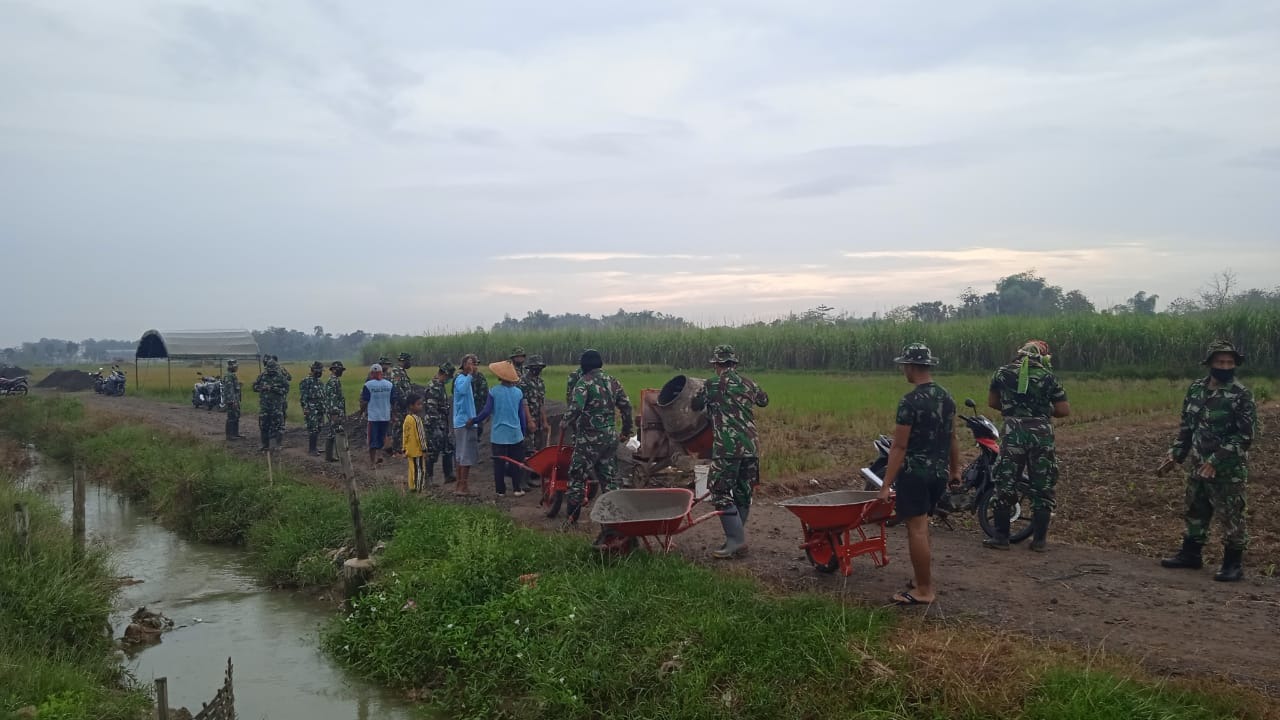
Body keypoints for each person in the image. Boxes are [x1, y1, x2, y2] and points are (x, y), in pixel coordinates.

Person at [1157, 340, 1257, 582]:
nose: (1225, 366)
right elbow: (1187, 428)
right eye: (1220, 362)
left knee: (1231, 515)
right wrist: (1175, 455)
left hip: (1227, 469)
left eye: (1230, 362)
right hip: (1198, 464)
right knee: (1195, 510)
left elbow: (1244, 436)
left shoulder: (1241, 394)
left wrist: (1215, 460)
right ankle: (1190, 555)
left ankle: (1233, 564)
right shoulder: (1195, 389)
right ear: (1210, 363)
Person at [875, 343, 960, 606]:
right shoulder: (947, 397)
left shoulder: (910, 401)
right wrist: (955, 469)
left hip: (915, 474)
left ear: (911, 367)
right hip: (938, 473)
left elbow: (899, 447)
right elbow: (952, 436)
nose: (904, 371)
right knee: (923, 527)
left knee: (917, 530)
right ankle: (920, 579)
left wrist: (885, 485)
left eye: (904, 366)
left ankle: (924, 590)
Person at [983, 340, 1070, 552]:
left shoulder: (1002, 373)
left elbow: (992, 402)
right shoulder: (1048, 377)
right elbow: (1063, 410)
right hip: (1041, 434)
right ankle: (1039, 541)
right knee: (1043, 485)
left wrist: (1014, 408)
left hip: (1013, 433)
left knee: (1006, 481)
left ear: (1020, 354)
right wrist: (1041, 411)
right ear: (1042, 356)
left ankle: (1001, 537)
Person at [691, 344, 769, 559]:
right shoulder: (749, 383)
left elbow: (696, 404)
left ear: (716, 364)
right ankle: (738, 538)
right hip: (751, 446)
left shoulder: (712, 384)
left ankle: (736, 540)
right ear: (734, 363)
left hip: (728, 447)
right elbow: (764, 400)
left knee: (719, 491)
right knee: (743, 491)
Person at [563, 349, 633, 525]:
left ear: (583, 366)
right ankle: (613, 519)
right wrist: (626, 430)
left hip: (589, 439)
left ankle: (572, 517)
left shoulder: (583, 383)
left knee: (577, 475)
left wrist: (565, 422)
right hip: (610, 438)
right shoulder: (613, 382)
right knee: (609, 478)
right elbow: (627, 407)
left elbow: (576, 407)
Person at [469, 360, 532, 497]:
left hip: (499, 435)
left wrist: (474, 420)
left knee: (499, 464)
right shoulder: (518, 393)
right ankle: (516, 489)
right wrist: (523, 430)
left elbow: (486, 412)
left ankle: (500, 491)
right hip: (515, 434)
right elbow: (521, 415)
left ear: (500, 376)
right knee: (516, 463)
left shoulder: (493, 392)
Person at [451, 354, 480, 495]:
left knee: (461, 455)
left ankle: (460, 485)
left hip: (465, 421)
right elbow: (462, 391)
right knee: (465, 455)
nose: (473, 365)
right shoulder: (461, 379)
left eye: (475, 363)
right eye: (470, 363)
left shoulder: (465, 379)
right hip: (464, 422)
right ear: (464, 365)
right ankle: (462, 486)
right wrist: (469, 375)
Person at [359, 363, 397, 468]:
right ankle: (380, 456)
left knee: (372, 439)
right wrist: (394, 415)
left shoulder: (368, 385)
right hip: (385, 416)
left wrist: (361, 412)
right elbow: (393, 401)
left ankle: (372, 463)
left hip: (373, 417)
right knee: (382, 437)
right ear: (381, 373)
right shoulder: (389, 385)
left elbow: (365, 401)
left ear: (372, 374)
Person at [424, 362, 457, 483]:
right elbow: (431, 408)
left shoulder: (441, 385)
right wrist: (437, 426)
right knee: (432, 452)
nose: (448, 379)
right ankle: (429, 478)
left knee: (448, 448)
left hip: (443, 423)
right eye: (448, 377)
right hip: (434, 424)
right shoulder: (433, 387)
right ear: (443, 374)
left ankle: (448, 475)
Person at [252, 357, 289, 451]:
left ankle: (277, 444)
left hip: (277, 406)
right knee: (264, 424)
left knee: (278, 425)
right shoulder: (262, 376)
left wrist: (273, 388)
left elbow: (286, 390)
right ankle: (265, 444)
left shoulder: (281, 377)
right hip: (265, 405)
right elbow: (254, 387)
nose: (271, 372)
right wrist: (262, 388)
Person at [389, 352, 415, 457]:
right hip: (399, 406)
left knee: (404, 427)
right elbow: (397, 389)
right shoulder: (396, 372)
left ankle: (402, 448)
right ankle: (396, 450)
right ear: (404, 361)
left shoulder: (402, 372)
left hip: (405, 405)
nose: (410, 363)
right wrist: (403, 402)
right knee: (398, 427)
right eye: (409, 360)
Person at [299, 361, 327, 457]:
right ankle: (312, 449)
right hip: (311, 408)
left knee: (319, 427)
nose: (320, 373)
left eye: (321, 371)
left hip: (319, 408)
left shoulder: (319, 382)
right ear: (313, 370)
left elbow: (323, 395)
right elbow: (303, 396)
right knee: (313, 428)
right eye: (318, 371)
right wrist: (305, 408)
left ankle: (315, 447)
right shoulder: (306, 381)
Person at [522, 355, 550, 451]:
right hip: (527, 419)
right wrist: (529, 421)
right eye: (536, 367)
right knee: (528, 447)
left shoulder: (540, 382)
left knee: (538, 447)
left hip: (538, 420)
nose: (538, 369)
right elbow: (523, 403)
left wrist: (545, 422)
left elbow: (541, 402)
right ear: (530, 368)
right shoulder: (523, 382)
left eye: (540, 368)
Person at [403, 393, 429, 492]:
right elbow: (420, 436)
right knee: (420, 470)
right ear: (411, 406)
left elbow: (405, 434)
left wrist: (404, 448)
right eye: (418, 404)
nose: (421, 406)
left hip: (409, 450)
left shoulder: (407, 418)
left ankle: (412, 487)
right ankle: (419, 490)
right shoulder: (416, 420)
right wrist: (424, 449)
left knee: (411, 469)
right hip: (417, 451)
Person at [323, 361, 347, 462]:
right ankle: (340, 456)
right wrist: (334, 414)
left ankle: (330, 456)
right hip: (334, 412)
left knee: (332, 433)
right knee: (337, 432)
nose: (341, 372)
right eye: (339, 370)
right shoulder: (332, 381)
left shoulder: (335, 380)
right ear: (333, 370)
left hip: (336, 411)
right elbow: (332, 399)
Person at [222, 359, 244, 441]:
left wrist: (238, 385)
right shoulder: (229, 376)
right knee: (231, 417)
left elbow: (233, 387)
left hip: (235, 399)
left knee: (236, 416)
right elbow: (229, 389)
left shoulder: (232, 375)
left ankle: (235, 433)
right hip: (232, 400)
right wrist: (232, 401)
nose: (237, 367)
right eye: (235, 366)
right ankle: (230, 435)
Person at [275, 356, 292, 443]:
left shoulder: (277, 369)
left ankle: (280, 429)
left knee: (280, 413)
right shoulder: (281, 369)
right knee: (281, 412)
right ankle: (281, 428)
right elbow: (289, 377)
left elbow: (289, 377)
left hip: (279, 396)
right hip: (281, 396)